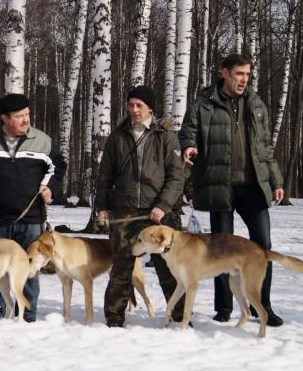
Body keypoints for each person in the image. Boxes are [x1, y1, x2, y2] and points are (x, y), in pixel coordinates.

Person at [179, 53, 286, 326]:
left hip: (252, 187)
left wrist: (275, 181)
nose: (244, 80)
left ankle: (263, 306)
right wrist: (189, 146)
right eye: (239, 74)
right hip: (220, 185)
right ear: (224, 73)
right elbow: (188, 132)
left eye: (248, 74)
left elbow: (265, 148)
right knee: (221, 249)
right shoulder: (203, 104)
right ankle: (224, 307)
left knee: (262, 246)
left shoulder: (256, 104)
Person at [95, 85, 187, 327]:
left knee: (169, 267)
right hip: (125, 210)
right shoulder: (118, 136)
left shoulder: (165, 135)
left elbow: (176, 176)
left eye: (139, 105)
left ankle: (181, 317)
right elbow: (105, 176)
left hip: (160, 212)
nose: (134, 110)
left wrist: (163, 205)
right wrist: (102, 207)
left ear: (150, 109)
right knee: (121, 267)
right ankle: (114, 319)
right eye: (131, 105)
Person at [0, 93, 65, 321]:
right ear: (4, 118)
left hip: (31, 218)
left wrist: (49, 187)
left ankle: (27, 315)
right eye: (19, 116)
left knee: (29, 268)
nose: (26, 120)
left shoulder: (42, 140)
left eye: (27, 114)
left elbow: (58, 167)